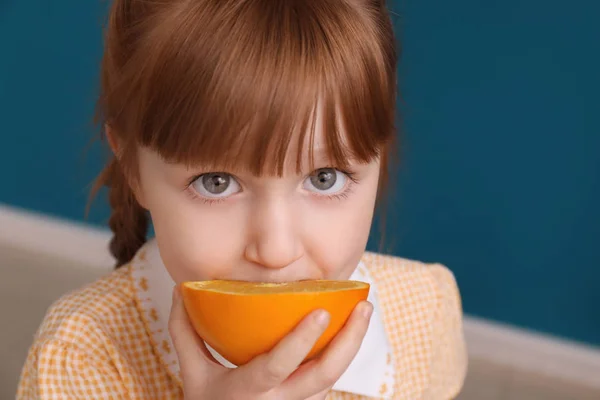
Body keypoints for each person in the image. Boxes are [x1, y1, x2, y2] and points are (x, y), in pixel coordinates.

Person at [17, 0, 467, 398]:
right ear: (133, 168)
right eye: (216, 182)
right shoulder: (81, 356)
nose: (275, 252)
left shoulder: (425, 309)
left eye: (324, 178)